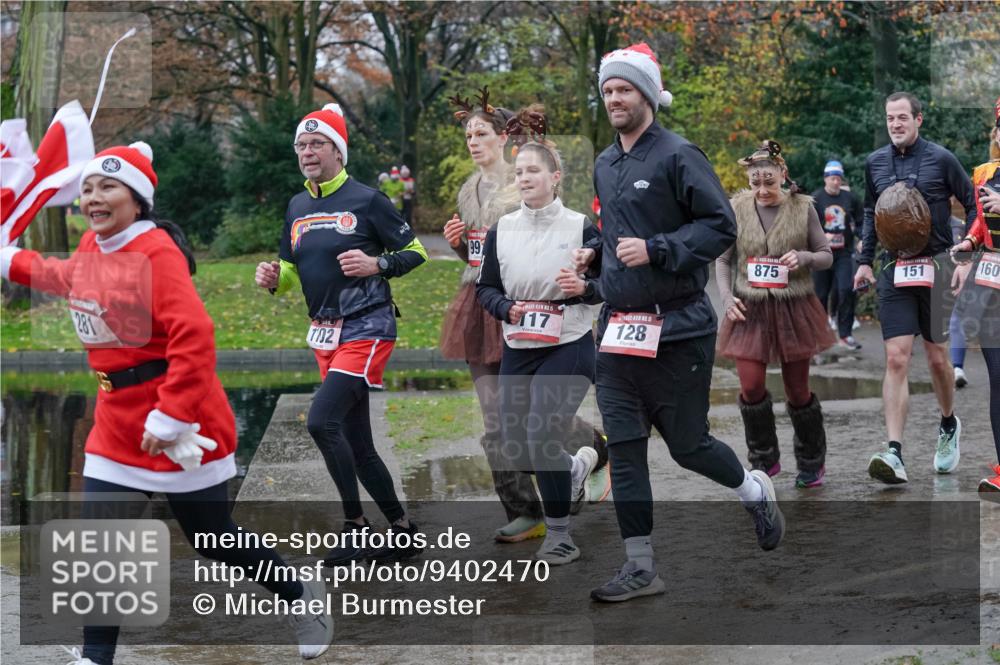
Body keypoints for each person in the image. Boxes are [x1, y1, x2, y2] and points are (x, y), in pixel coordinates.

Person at [1, 142, 333, 664]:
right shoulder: (93, 246)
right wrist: (11, 261)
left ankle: (299, 595)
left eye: (108, 187)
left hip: (182, 426)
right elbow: (65, 277)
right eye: (87, 188)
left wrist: (172, 413)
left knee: (214, 539)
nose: (93, 197)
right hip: (116, 425)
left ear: (137, 199)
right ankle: (95, 657)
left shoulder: (156, 251)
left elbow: (195, 336)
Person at [575, 42, 785, 603]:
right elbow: (613, 235)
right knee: (624, 445)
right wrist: (592, 254)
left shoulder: (678, 155)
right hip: (617, 329)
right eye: (608, 91)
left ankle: (753, 490)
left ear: (646, 94)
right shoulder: (605, 162)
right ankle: (640, 565)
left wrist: (660, 248)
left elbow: (720, 228)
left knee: (687, 446)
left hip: (678, 329)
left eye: (624, 89)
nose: (614, 98)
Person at [254, 103, 428, 564]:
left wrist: (378, 263)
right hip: (324, 332)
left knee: (320, 421)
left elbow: (415, 251)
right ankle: (403, 529)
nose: (307, 152)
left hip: (368, 325)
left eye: (317, 144)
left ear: (338, 151)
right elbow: (291, 271)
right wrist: (275, 278)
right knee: (356, 441)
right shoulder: (296, 205)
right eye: (302, 145)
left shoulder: (367, 200)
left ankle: (355, 525)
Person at [475, 121, 602, 564]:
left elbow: (609, 285)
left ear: (555, 177)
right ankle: (575, 466)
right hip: (520, 343)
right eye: (520, 172)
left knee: (542, 433)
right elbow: (485, 288)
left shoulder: (582, 227)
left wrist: (583, 289)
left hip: (568, 341)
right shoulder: (502, 229)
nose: (525, 178)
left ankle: (561, 534)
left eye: (534, 171)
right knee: (516, 444)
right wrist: (505, 308)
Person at [853, 91, 977, 484]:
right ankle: (894, 451)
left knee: (939, 358)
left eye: (903, 117)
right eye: (890, 118)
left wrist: (966, 255)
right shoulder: (874, 162)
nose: (895, 124)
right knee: (896, 358)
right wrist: (863, 263)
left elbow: (973, 204)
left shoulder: (941, 159)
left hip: (938, 264)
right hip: (895, 268)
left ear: (918, 120)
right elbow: (871, 214)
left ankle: (947, 424)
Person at [716, 141, 835, 488]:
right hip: (748, 307)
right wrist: (725, 299)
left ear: (783, 174)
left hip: (793, 307)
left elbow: (826, 254)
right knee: (751, 387)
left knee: (797, 391)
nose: (763, 190)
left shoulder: (803, 208)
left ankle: (812, 461)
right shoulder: (736, 208)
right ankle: (764, 460)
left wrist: (806, 257)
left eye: (770, 182)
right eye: (756, 183)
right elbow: (723, 260)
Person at [948, 96, 1000, 496]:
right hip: (992, 281)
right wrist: (968, 243)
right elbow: (981, 224)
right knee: (997, 379)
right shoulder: (985, 172)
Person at [811, 159, 864, 350]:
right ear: (825, 179)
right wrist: (820, 235)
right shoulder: (816, 199)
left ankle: (845, 335)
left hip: (843, 253)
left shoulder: (850, 198)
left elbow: (861, 221)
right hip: (821, 254)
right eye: (832, 178)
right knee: (820, 296)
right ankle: (819, 336)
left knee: (847, 290)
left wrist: (862, 238)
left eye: (838, 179)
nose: (836, 182)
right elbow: (806, 227)